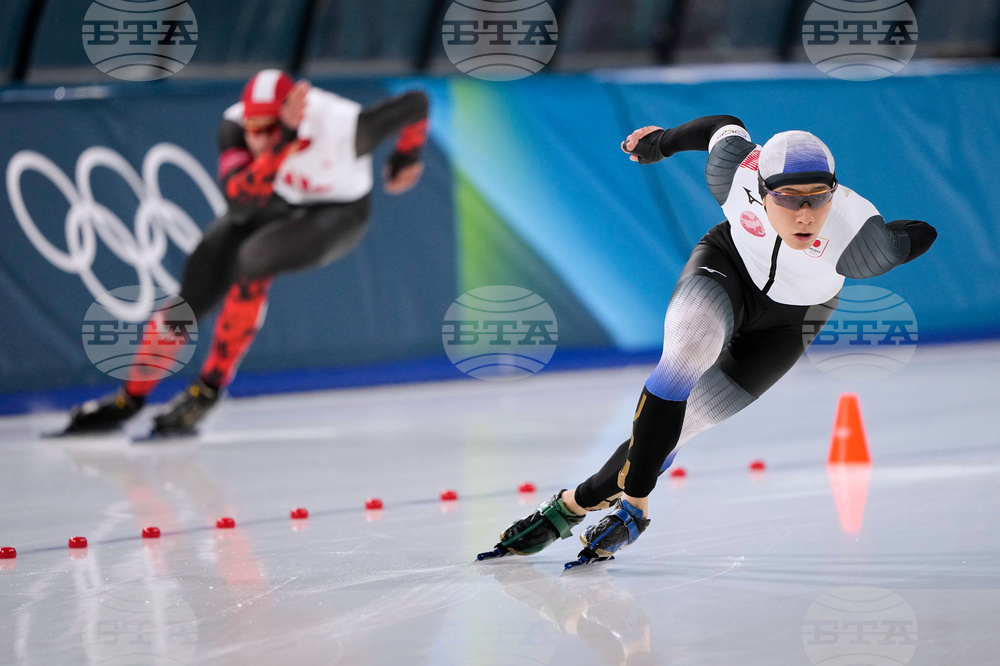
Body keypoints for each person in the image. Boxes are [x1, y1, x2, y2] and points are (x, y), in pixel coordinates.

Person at [479, 115, 937, 568]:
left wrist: (886, 238)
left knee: (682, 427)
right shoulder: (733, 170)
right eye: (787, 198)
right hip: (727, 268)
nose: (804, 214)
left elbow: (920, 233)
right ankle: (635, 508)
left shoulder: (859, 238)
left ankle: (570, 505)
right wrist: (661, 142)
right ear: (760, 189)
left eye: (818, 198)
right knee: (684, 356)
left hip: (794, 318)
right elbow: (720, 126)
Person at [62, 70, 430, 437]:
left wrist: (407, 154)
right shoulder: (234, 127)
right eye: (253, 129)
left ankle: (208, 389)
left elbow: (416, 104)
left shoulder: (346, 128)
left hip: (340, 210)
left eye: (269, 129)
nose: (258, 139)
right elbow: (240, 206)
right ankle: (131, 397)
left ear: (296, 118)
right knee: (200, 277)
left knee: (256, 258)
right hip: (279, 195)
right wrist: (281, 144)